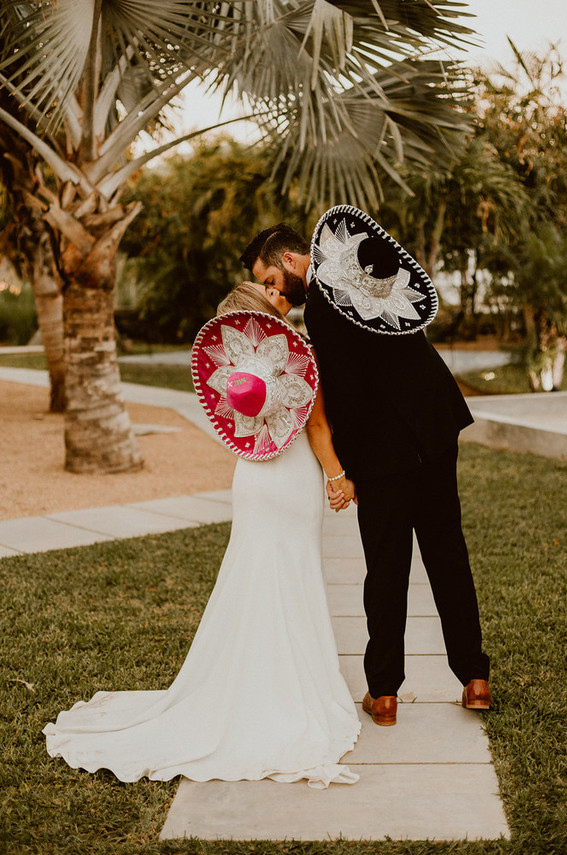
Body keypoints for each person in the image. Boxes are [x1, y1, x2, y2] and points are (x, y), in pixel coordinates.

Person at [43, 281, 361, 789]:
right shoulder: (297, 357)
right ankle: (289, 690)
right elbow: (317, 427)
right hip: (293, 478)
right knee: (293, 575)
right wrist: (338, 478)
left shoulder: (234, 370)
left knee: (250, 576)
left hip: (253, 477)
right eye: (270, 292)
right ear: (266, 313)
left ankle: (244, 684)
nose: (278, 292)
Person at [240, 208, 492, 727]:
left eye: (272, 281)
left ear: (289, 259)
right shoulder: (362, 265)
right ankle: (475, 679)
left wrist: (344, 469)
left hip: (382, 451)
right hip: (433, 426)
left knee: (386, 566)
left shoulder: (321, 308)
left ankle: (384, 693)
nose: (276, 293)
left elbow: (348, 395)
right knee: (447, 551)